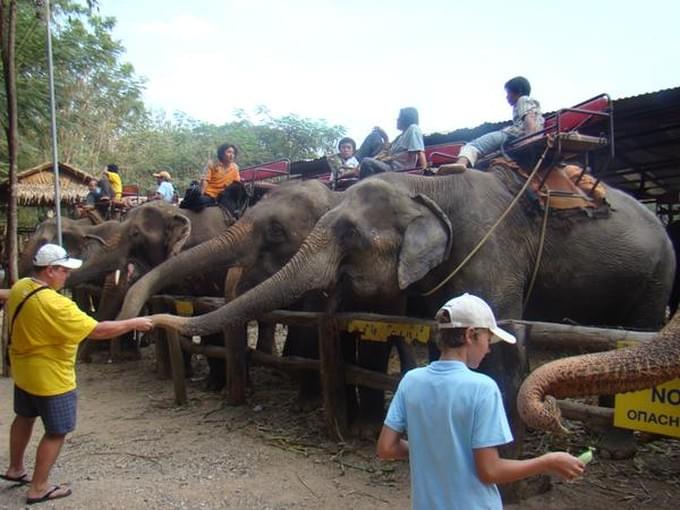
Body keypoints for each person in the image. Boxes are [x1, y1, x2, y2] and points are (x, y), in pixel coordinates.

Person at [377, 293, 584, 510]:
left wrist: (431, 447)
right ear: (470, 335)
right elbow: (490, 471)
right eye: (487, 339)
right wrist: (547, 462)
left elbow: (386, 448)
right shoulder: (482, 388)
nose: (489, 348)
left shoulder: (411, 381)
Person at [2, 244, 154, 505]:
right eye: (63, 270)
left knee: (24, 416)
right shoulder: (57, 304)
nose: (67, 275)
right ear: (50, 270)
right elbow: (98, 331)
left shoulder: (22, 287)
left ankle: (15, 469)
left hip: (24, 371)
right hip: (52, 379)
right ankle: (38, 488)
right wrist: (134, 323)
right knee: (56, 432)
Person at [444, 76, 544, 174]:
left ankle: (461, 164)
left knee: (473, 145)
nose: (507, 97)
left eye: (508, 92)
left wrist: (529, 140)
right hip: (513, 138)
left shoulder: (523, 100)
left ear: (519, 91)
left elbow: (529, 118)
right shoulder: (532, 104)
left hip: (510, 135)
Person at [356, 107, 427, 179]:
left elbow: (419, 151)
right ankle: (355, 164)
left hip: (398, 169)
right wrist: (385, 137)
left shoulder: (413, 128)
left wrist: (425, 172)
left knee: (367, 162)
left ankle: (366, 186)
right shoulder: (400, 137)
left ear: (406, 119)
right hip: (388, 163)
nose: (397, 120)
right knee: (374, 136)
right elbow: (386, 150)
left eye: (399, 117)